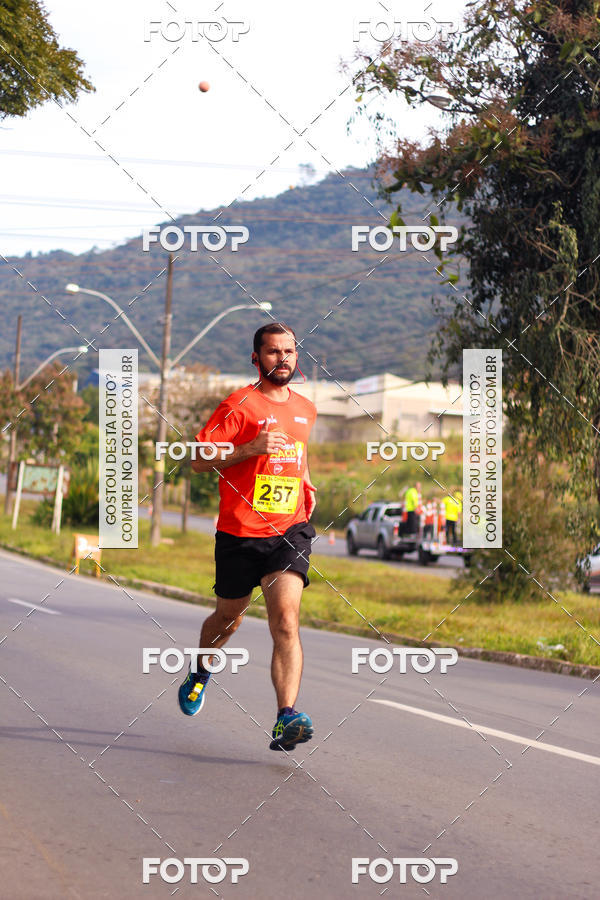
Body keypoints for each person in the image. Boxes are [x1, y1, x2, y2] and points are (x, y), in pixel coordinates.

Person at [178, 322, 318, 753]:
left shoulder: (306, 409)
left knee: (286, 622)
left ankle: (285, 718)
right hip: (239, 534)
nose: (283, 359)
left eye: (289, 352)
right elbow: (199, 460)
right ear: (256, 358)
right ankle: (201, 673)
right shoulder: (238, 405)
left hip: (288, 532)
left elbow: (297, 454)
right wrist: (248, 449)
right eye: (274, 352)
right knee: (228, 619)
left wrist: (307, 485)